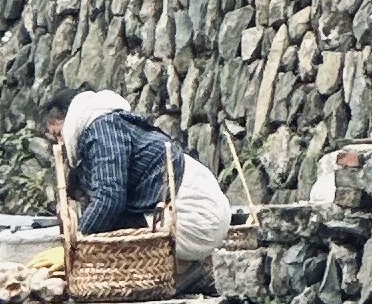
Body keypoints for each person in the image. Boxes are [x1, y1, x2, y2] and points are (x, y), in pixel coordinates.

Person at [44, 89, 233, 285]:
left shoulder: (103, 129)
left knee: (107, 220)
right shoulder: (109, 125)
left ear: (68, 119)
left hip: (193, 213)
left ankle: (178, 274)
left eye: (59, 134)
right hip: (195, 209)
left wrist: (75, 247)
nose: (61, 143)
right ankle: (183, 270)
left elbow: (109, 198)